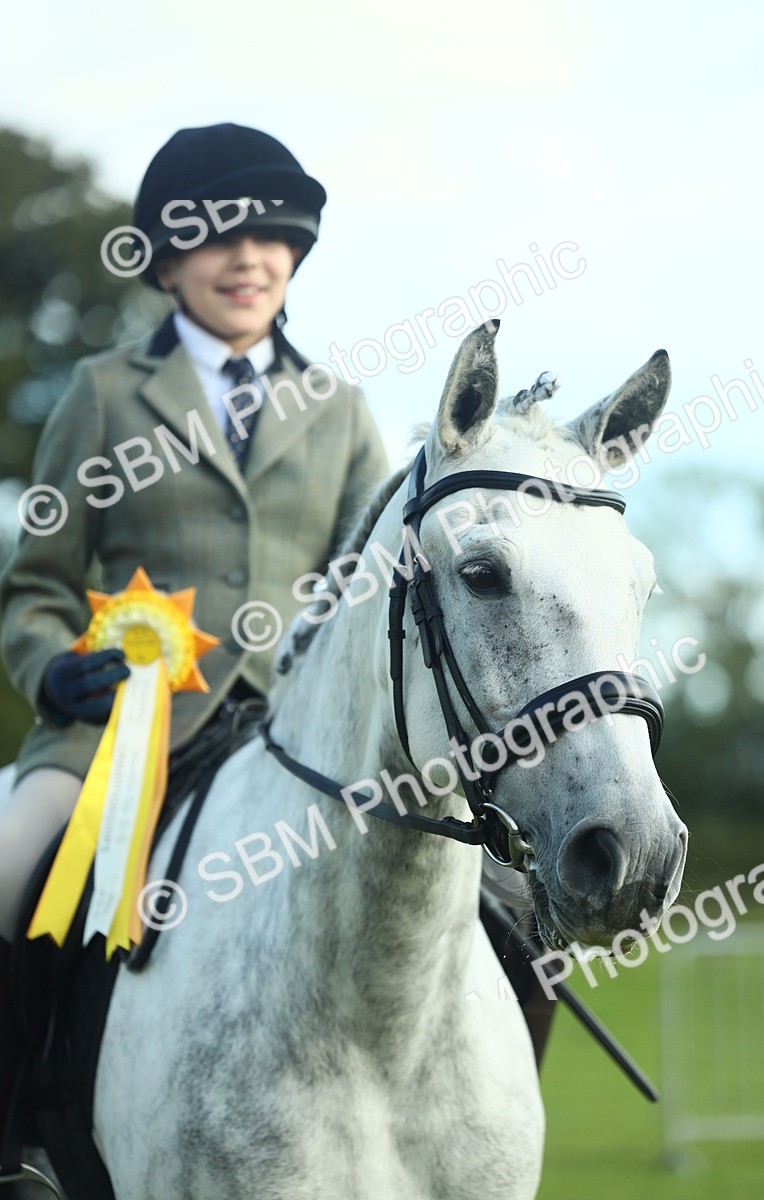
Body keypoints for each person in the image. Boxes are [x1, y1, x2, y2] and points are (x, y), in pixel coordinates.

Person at [0, 122, 389, 1166]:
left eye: (272, 238)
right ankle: (16, 1143)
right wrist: (55, 670)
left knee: (472, 891)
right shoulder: (101, 395)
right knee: (6, 875)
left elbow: (370, 592)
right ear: (167, 262)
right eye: (220, 239)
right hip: (115, 734)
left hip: (295, 733)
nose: (249, 258)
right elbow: (32, 590)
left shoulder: (343, 411)